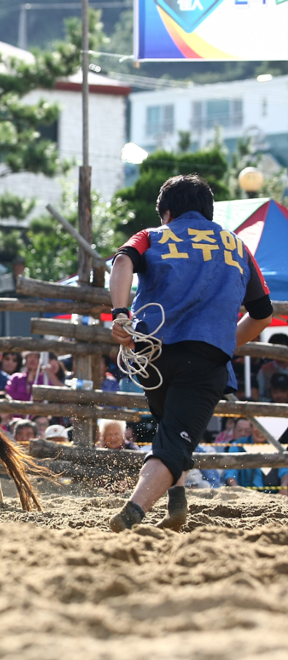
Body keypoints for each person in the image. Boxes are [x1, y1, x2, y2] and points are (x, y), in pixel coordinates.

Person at [108, 175, 272, 533]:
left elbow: (122, 261)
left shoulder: (153, 234)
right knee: (174, 440)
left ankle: (177, 504)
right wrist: (226, 342)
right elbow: (263, 314)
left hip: (152, 355)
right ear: (209, 212)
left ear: (166, 212)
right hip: (206, 356)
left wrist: (120, 314)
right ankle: (133, 512)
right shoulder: (238, 246)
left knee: (170, 429)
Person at [221, 419, 288, 496]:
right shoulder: (238, 445)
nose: (261, 431)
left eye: (265, 428)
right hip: (245, 494)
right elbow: (231, 473)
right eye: (258, 427)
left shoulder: (277, 447)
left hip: (271, 495)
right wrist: (237, 489)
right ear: (251, 427)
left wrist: (284, 487)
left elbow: (284, 472)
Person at [256, 334, 288, 400]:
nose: (279, 353)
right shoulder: (264, 370)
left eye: (282, 350)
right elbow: (260, 395)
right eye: (275, 350)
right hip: (269, 408)